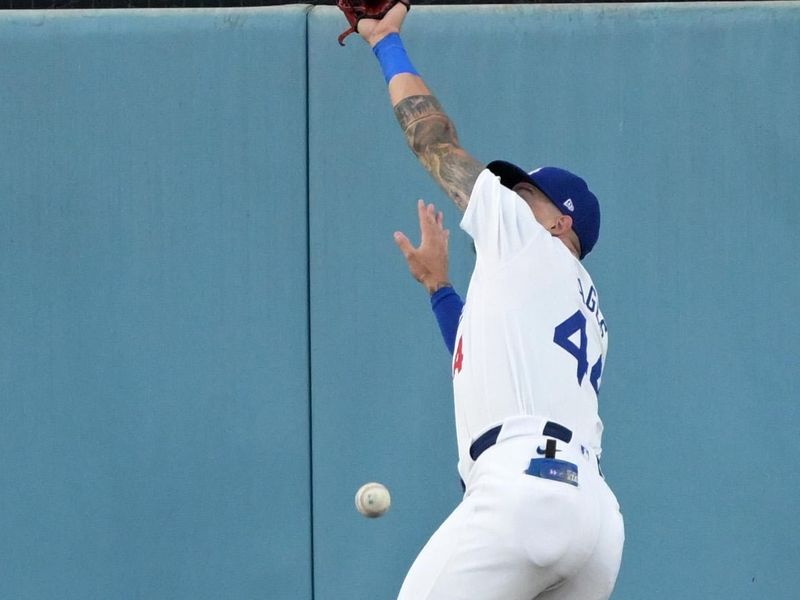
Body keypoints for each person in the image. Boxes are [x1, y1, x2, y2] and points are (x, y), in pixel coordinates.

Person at [356, 6, 624, 599]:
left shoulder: (529, 240)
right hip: (596, 521)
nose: (508, 197)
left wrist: (387, 42)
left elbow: (431, 138)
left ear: (561, 225)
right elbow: (481, 360)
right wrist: (441, 290)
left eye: (526, 194)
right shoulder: (580, 304)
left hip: (525, 486)